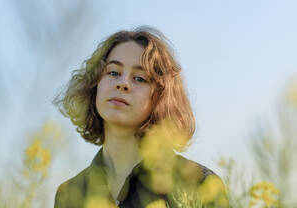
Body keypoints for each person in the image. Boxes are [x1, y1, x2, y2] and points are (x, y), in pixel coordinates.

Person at [53, 27, 229, 208]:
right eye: (113, 72)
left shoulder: (199, 185)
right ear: (94, 84)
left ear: (161, 97)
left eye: (139, 78)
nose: (122, 84)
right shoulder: (68, 194)